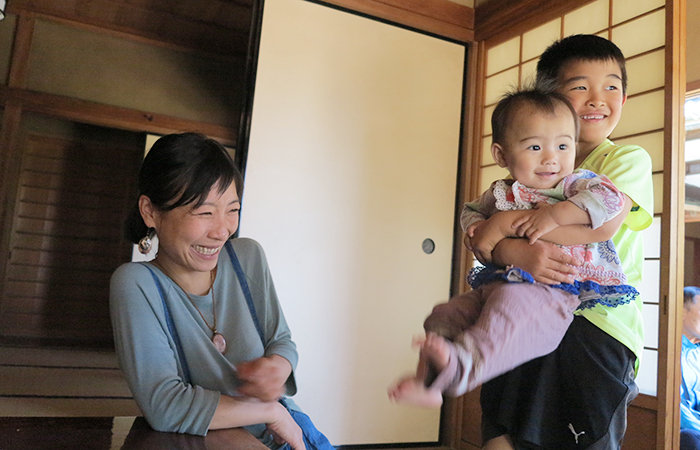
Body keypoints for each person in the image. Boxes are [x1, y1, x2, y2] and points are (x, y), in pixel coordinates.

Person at [387, 89, 637, 408]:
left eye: (563, 146)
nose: (551, 158)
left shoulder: (575, 185)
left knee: (509, 307)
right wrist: (475, 229)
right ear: (502, 155)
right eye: (535, 146)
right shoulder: (500, 193)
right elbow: (471, 211)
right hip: (499, 279)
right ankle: (429, 383)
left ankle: (460, 369)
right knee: (444, 314)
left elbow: (609, 201)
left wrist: (555, 214)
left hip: (552, 289)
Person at [471, 35, 654, 450]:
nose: (597, 99)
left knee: (581, 435)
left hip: (596, 322)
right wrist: (508, 243)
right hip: (523, 311)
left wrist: (504, 228)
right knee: (504, 431)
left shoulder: (623, 160)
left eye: (611, 86)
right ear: (547, 97)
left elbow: (599, 225)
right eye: (579, 87)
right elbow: (481, 241)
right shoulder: (534, 168)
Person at [110, 132, 330, 450]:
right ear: (150, 211)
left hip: (291, 428)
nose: (221, 230)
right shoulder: (136, 284)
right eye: (204, 212)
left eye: (232, 209)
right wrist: (267, 411)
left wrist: (276, 367)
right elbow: (164, 405)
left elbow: (281, 341)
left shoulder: (248, 257)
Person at [681, 286, 700, 450]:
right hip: (685, 430)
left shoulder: (697, 353)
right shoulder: (669, 351)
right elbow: (675, 408)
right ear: (680, 312)